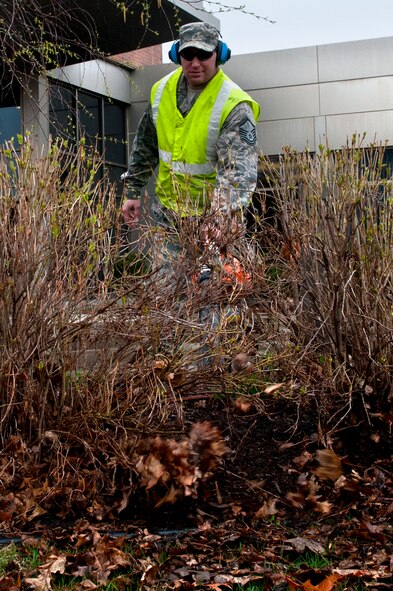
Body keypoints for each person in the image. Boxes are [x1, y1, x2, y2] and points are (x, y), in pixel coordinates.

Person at [121, 21, 260, 259]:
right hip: (167, 217)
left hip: (215, 223)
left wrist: (219, 218)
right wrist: (133, 190)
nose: (195, 63)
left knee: (217, 292)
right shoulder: (160, 91)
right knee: (166, 291)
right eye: (188, 54)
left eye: (204, 54)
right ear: (177, 54)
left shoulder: (235, 105)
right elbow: (145, 145)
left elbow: (237, 173)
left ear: (220, 54)